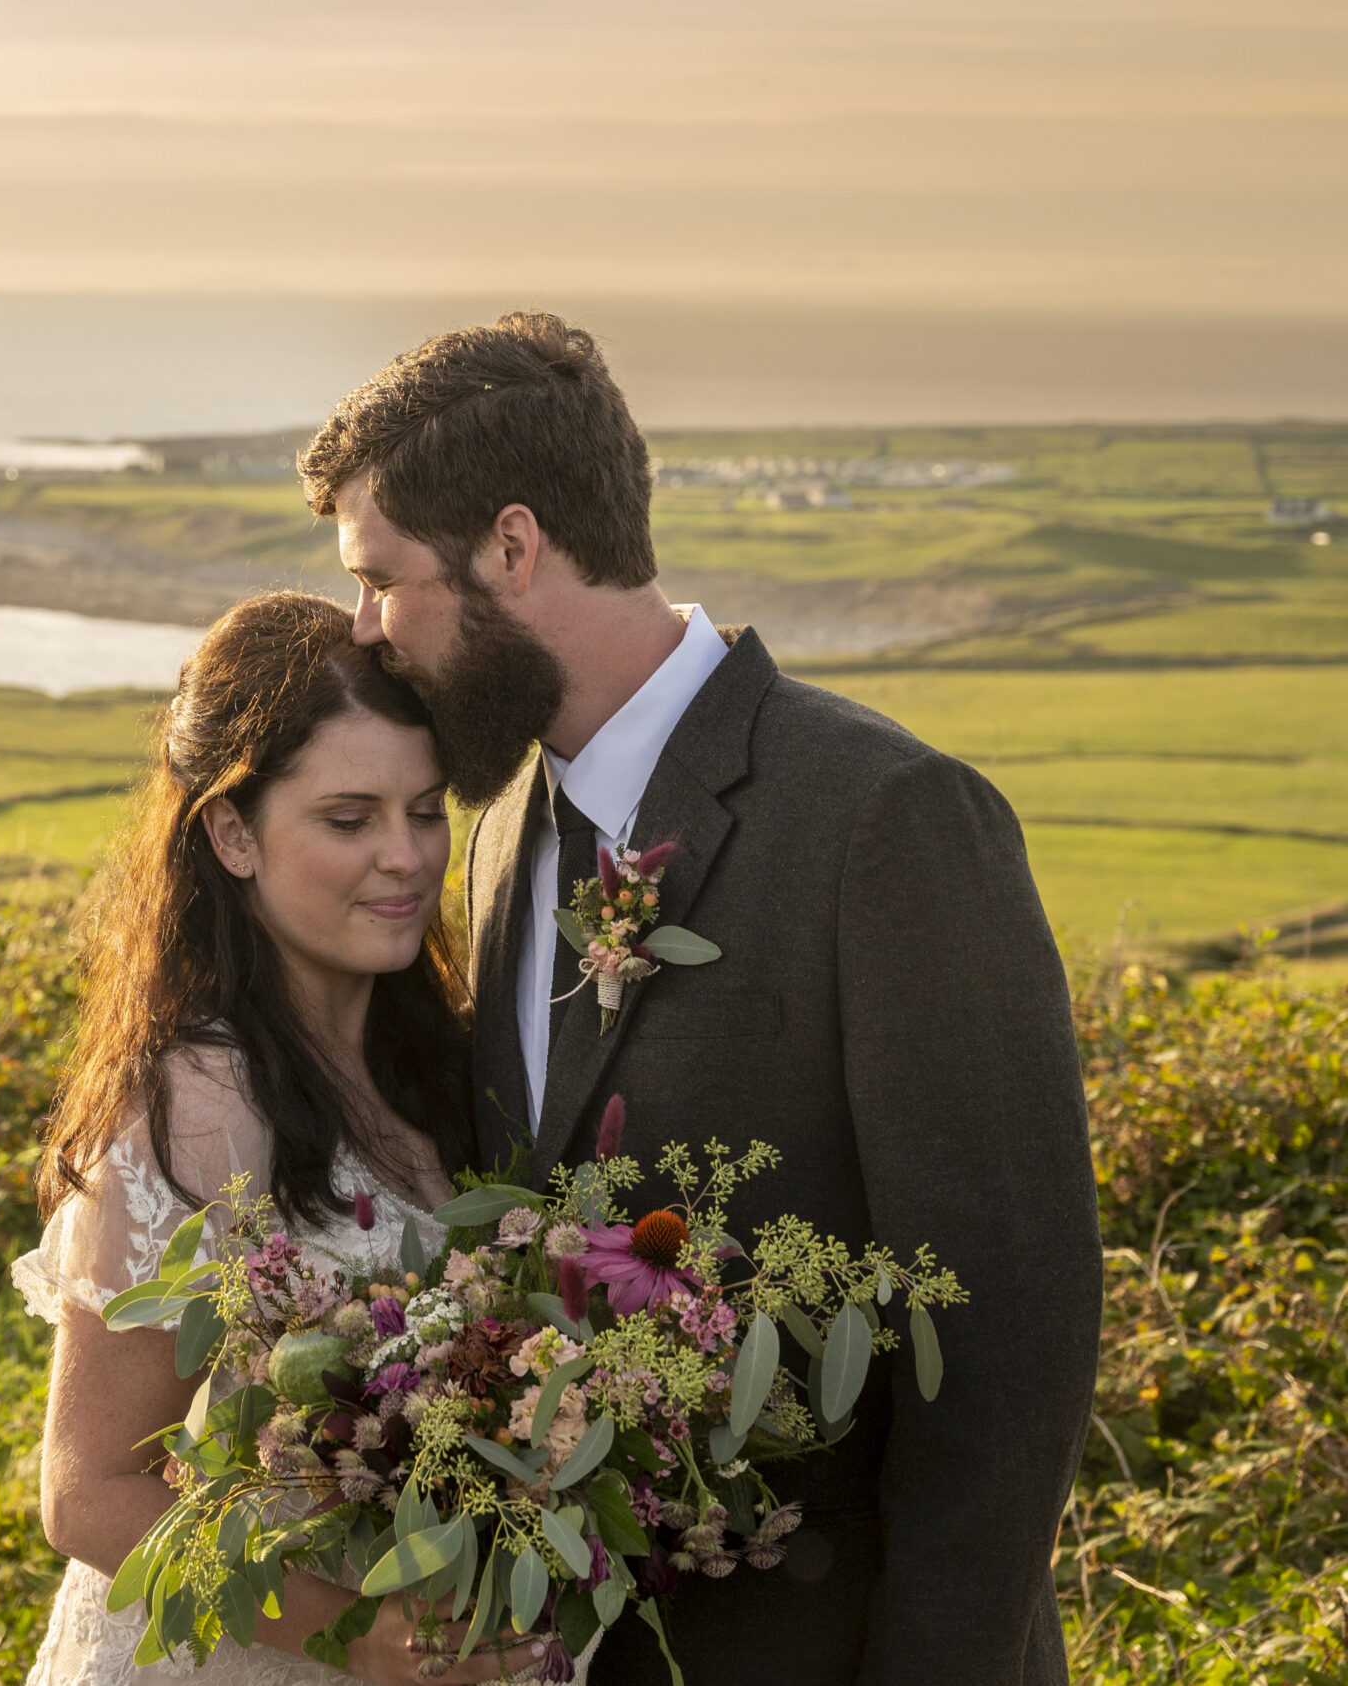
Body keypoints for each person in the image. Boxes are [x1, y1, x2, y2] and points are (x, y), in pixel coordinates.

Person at [300, 315, 1105, 1686]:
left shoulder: (887, 820)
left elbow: (1008, 1349)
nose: (367, 635)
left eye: (383, 582)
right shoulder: (498, 834)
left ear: (513, 544)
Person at [14, 593, 571, 1685]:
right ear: (231, 832)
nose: (406, 855)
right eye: (348, 817)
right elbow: (84, 1493)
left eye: (423, 810)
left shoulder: (436, 1065)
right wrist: (352, 1628)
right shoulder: (202, 1093)